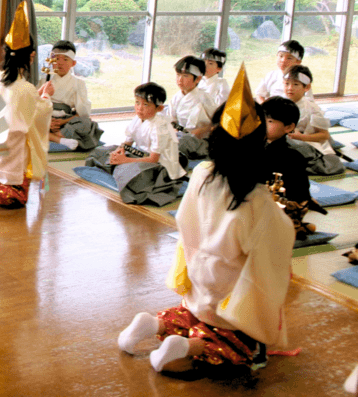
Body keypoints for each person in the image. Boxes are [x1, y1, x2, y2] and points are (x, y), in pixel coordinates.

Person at [118, 66, 295, 376]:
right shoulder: (256, 199)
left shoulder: (202, 174)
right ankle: (188, 348)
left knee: (192, 314)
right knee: (244, 348)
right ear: (258, 146)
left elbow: (184, 222)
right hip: (230, 292)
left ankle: (154, 324)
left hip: (199, 278)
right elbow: (272, 255)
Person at [0, 2, 52, 214]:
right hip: (11, 150)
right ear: (31, 56)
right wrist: (46, 98)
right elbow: (37, 116)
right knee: (18, 197)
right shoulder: (25, 88)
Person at [85, 82, 185, 206]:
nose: (139, 108)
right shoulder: (138, 118)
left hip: (159, 165)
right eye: (137, 103)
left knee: (132, 170)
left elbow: (154, 159)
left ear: (159, 108)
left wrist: (124, 160)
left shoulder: (161, 127)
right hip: (140, 155)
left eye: (146, 104)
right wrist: (118, 152)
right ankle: (119, 168)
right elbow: (127, 143)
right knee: (103, 150)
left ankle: (119, 169)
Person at [262, 96, 321, 239]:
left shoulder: (294, 156)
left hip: (280, 205)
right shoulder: (255, 147)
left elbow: (300, 192)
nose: (262, 124)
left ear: (288, 127)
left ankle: (294, 225)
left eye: (269, 121)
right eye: (261, 119)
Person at [38, 40, 103, 151]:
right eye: (57, 59)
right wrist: (47, 121)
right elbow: (35, 104)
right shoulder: (44, 80)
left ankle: (54, 135)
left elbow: (82, 113)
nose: (60, 63)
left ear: (73, 63)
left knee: (87, 123)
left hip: (64, 121)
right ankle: (59, 137)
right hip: (44, 117)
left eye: (65, 59)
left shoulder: (78, 83)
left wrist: (62, 122)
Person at [283, 64, 344, 177]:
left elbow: (324, 135)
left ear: (306, 87)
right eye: (287, 84)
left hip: (306, 144)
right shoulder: (280, 103)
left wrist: (300, 137)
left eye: (295, 84)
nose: (290, 88)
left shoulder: (312, 108)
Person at [165, 56, 216, 161]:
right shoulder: (176, 98)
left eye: (185, 76)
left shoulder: (204, 98)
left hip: (201, 141)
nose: (180, 79)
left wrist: (201, 130)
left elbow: (218, 122)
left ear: (198, 78)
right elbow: (171, 122)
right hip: (182, 137)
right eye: (178, 75)